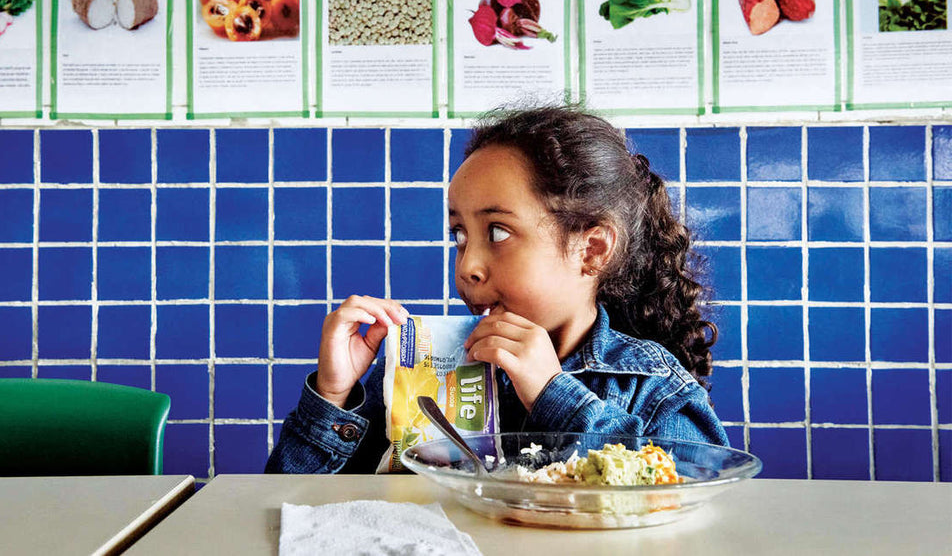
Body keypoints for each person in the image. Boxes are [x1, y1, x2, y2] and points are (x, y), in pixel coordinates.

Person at [265, 105, 727, 474]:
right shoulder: (420, 371)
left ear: (592, 249)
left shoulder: (652, 387)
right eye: (459, 236)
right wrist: (333, 397)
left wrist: (553, 394)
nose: (467, 266)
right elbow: (297, 512)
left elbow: (691, 503)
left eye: (499, 232)